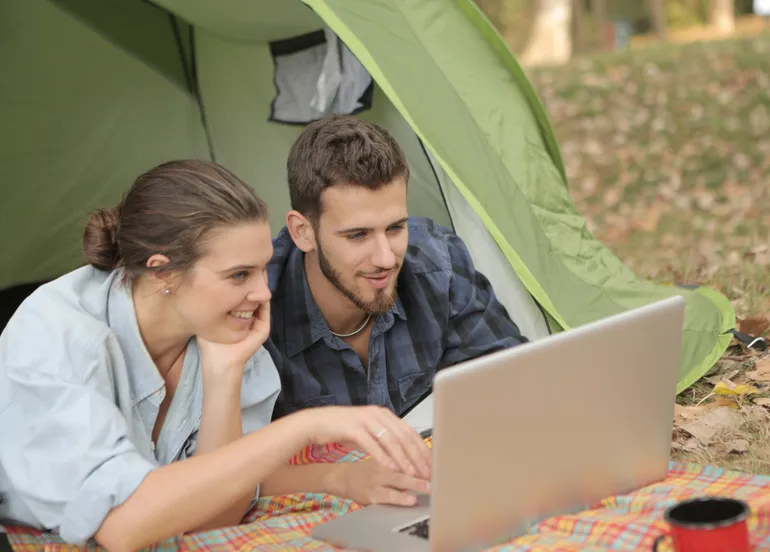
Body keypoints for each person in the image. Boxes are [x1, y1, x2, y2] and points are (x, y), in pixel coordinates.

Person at [0, 160, 431, 552]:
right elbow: (120, 526)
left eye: (262, 268)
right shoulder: (60, 336)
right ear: (162, 271)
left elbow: (217, 519)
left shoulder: (218, 331)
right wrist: (305, 427)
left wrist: (224, 372)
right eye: (239, 275)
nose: (263, 293)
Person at [266, 115, 527, 425]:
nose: (386, 259)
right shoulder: (257, 312)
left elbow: (516, 380)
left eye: (395, 228)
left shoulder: (438, 264)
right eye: (358, 235)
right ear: (303, 232)